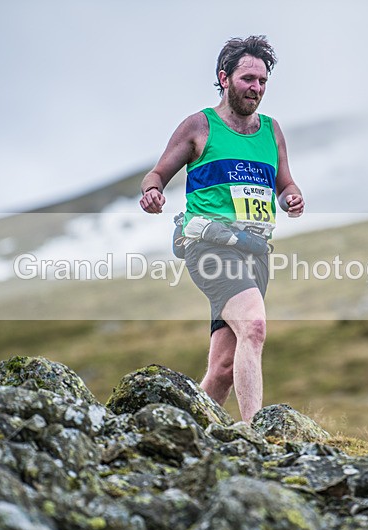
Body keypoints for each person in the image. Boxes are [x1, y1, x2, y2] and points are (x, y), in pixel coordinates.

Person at [139, 36, 304, 423]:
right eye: (248, 78)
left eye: (263, 81)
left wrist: (293, 198)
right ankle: (255, 436)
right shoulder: (200, 126)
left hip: (255, 252)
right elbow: (157, 174)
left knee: (224, 368)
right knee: (255, 326)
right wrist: (151, 193)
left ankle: (185, 432)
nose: (256, 88)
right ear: (224, 78)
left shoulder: (272, 131)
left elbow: (286, 184)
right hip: (210, 247)